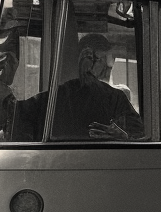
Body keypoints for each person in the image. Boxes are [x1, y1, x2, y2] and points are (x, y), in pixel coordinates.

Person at [11, 34, 144, 142]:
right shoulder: (115, 99)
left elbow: (17, 117)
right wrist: (124, 137)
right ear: (99, 61)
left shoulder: (54, 98)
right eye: (108, 61)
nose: (110, 67)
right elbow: (141, 137)